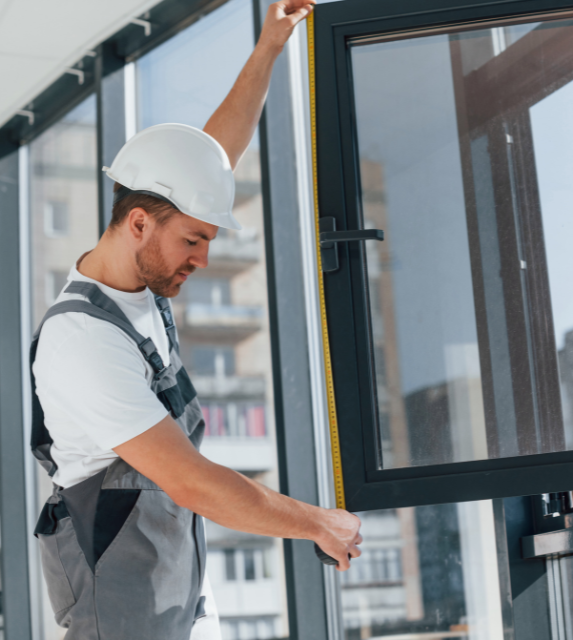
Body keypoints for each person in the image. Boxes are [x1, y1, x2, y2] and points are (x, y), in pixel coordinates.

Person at [29, 1, 361, 638]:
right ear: (137, 223)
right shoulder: (82, 340)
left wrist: (269, 44)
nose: (203, 259)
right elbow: (190, 481)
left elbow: (215, 157)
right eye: (193, 242)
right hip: (122, 620)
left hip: (176, 598)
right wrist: (315, 521)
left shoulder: (143, 282)